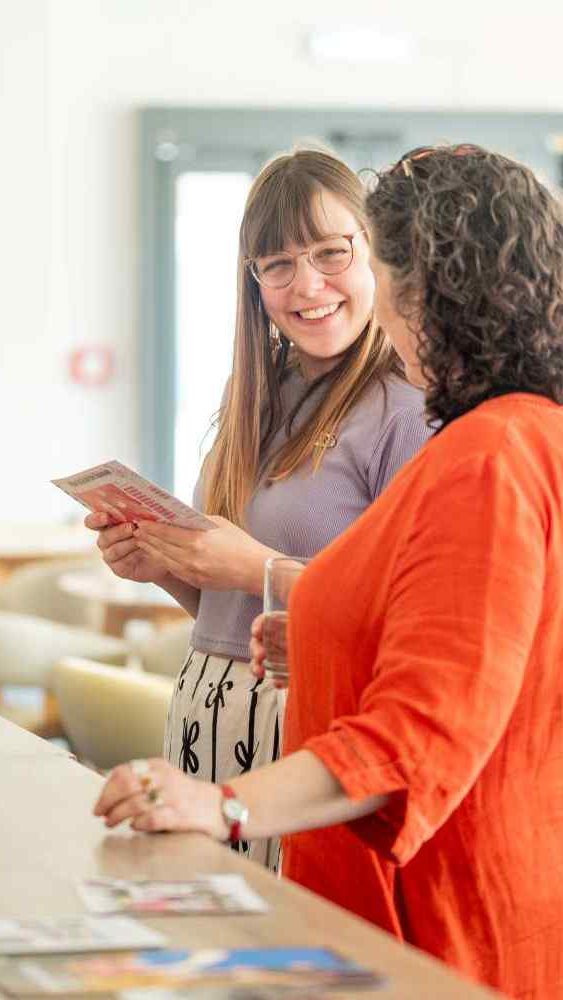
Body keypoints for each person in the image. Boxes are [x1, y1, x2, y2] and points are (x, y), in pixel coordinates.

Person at [91, 144, 563, 999]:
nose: (378, 316)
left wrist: (222, 806)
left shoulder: (489, 455)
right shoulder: (562, 431)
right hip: (538, 883)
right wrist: (327, 637)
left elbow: (420, 732)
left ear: (428, 291)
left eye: (371, 272)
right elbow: (497, 652)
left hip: (479, 912)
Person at [84, 148, 432, 871]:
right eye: (277, 264)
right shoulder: (258, 397)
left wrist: (254, 568)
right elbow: (238, 620)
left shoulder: (405, 411)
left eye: (331, 254)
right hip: (206, 721)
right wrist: (170, 569)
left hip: (301, 751)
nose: (307, 285)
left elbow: (404, 623)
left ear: (375, 256)